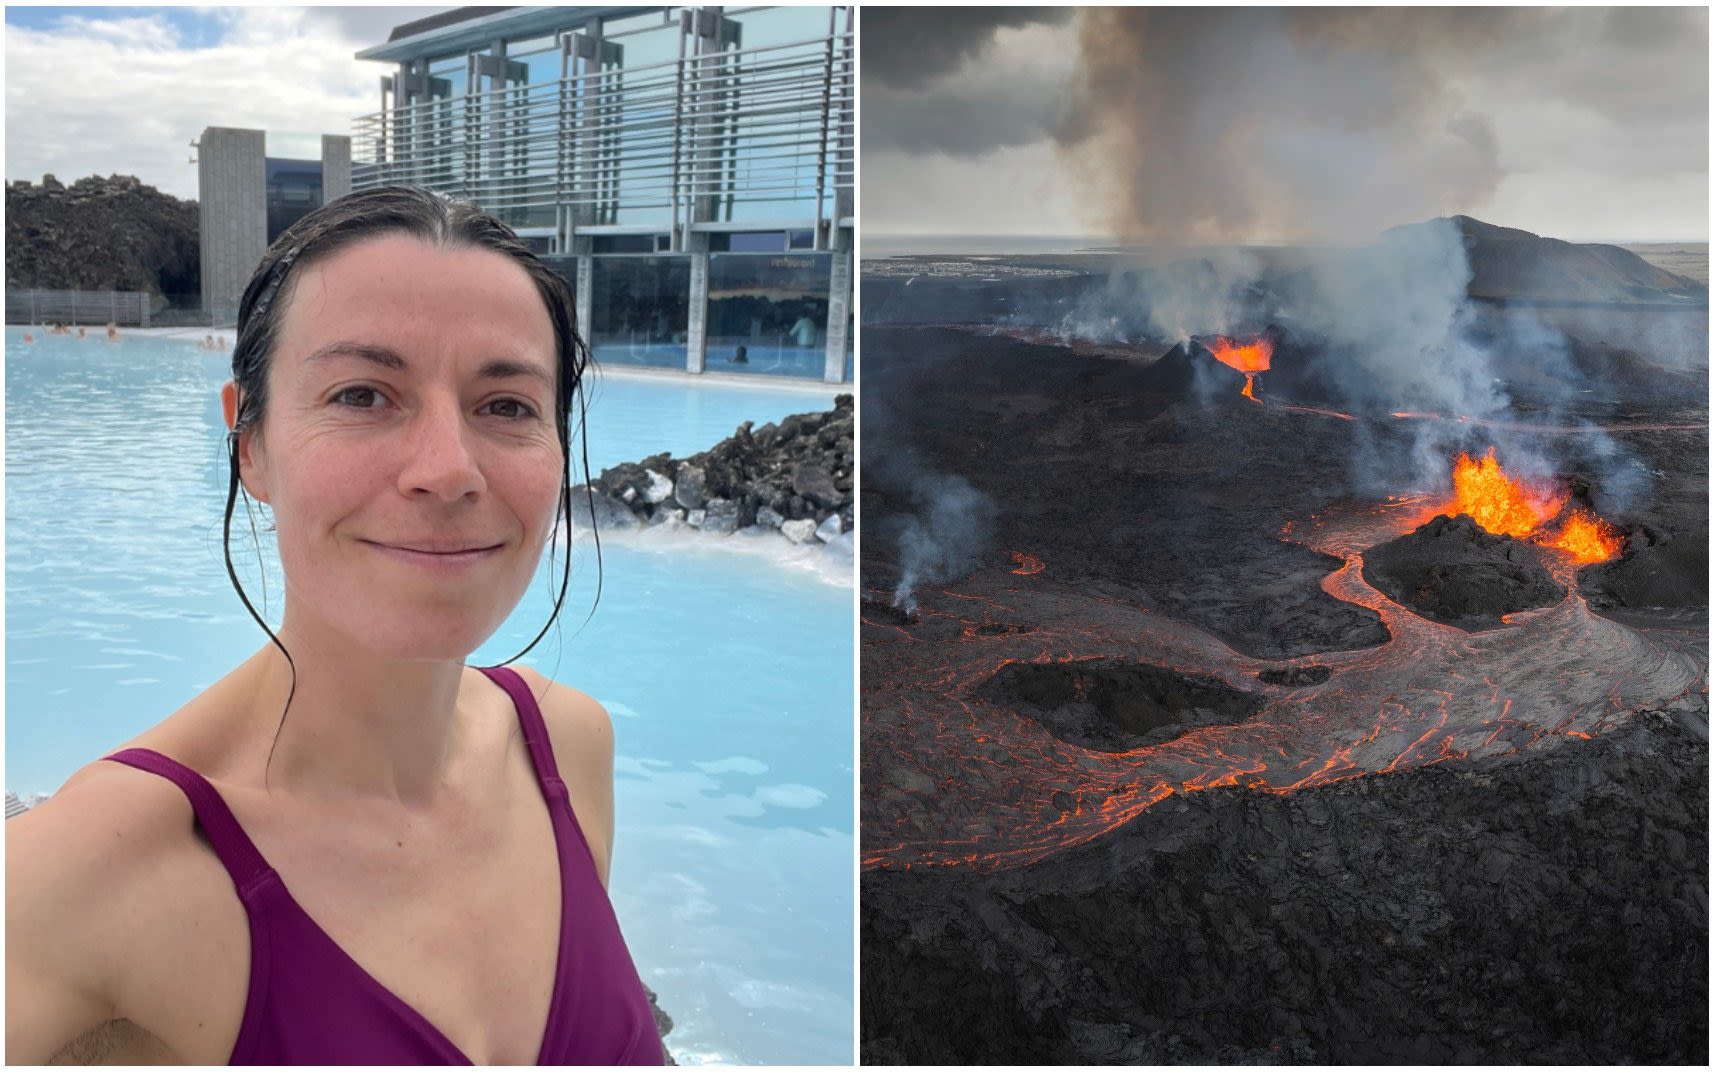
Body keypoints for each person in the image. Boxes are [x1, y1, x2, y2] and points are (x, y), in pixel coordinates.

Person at [6, 186, 664, 1065]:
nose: (447, 470)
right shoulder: (93, 873)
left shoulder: (569, 745)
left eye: (505, 405)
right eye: (362, 394)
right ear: (250, 445)